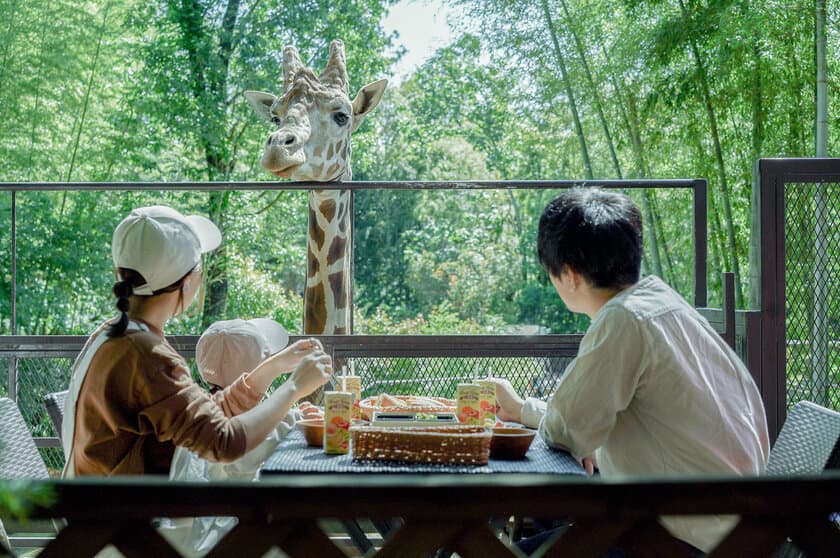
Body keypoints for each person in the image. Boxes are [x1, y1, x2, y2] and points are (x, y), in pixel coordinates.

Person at [492, 187, 769, 555]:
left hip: (678, 541)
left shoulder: (624, 320)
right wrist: (525, 411)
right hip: (734, 532)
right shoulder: (666, 305)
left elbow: (566, 431)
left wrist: (570, 433)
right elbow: (585, 422)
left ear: (569, 275)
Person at [62, 205, 333, 478]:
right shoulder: (146, 356)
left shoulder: (113, 336)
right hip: (130, 516)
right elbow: (224, 443)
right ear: (188, 282)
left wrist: (274, 366)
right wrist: (295, 387)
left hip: (97, 508)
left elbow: (205, 416)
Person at [163, 317, 320, 557]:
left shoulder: (196, 415)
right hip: (251, 538)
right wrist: (298, 418)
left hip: (193, 537)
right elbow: (255, 444)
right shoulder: (262, 425)